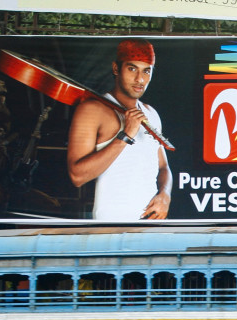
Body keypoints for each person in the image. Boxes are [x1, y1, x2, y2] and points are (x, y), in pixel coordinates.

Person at [67, 39, 172, 222]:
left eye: (146, 71)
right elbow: (77, 176)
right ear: (116, 69)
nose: (140, 79)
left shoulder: (151, 114)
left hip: (151, 226)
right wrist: (126, 135)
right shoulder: (93, 110)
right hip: (112, 227)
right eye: (132, 69)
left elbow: (163, 167)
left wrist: (165, 195)